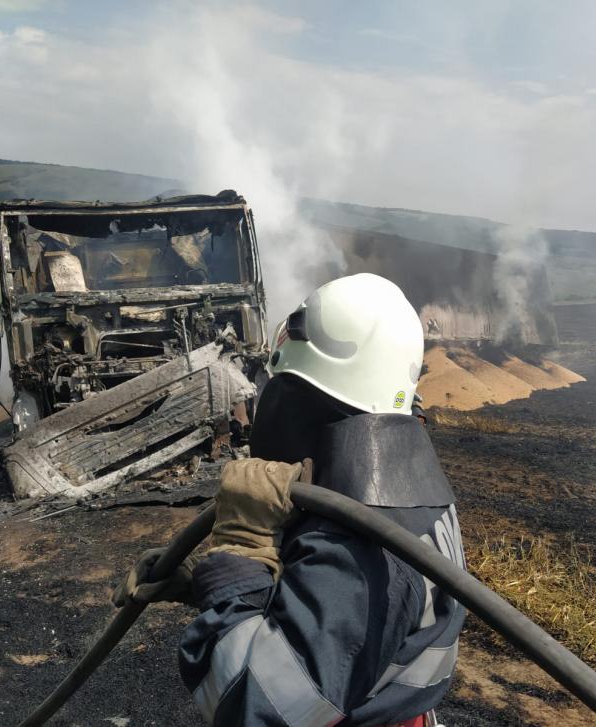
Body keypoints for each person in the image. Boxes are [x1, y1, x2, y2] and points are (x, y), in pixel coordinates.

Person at [114, 273, 465, 726]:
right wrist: (204, 585)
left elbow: (245, 703)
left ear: (298, 393)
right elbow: (326, 614)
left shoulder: (354, 545)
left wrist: (242, 545)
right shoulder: (410, 494)